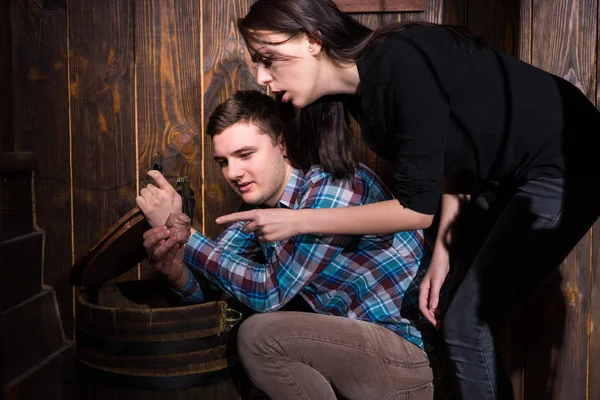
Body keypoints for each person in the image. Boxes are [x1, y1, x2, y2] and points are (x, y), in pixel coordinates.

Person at [212, 1, 600, 399]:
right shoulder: (360, 101)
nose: (261, 77)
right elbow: (453, 157)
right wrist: (443, 256)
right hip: (498, 177)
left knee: (468, 324)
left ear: (312, 40)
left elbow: (416, 210)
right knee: (451, 310)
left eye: (267, 58)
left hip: (567, 158)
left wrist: (298, 221)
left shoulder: (402, 60)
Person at [137, 90, 448, 400]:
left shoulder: (332, 185)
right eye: (223, 162)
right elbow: (217, 290)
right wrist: (176, 273)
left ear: (282, 146)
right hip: (359, 354)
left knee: (258, 337)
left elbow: (268, 291)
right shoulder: (258, 214)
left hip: (409, 357)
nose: (232, 173)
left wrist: (185, 234)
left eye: (245, 155)